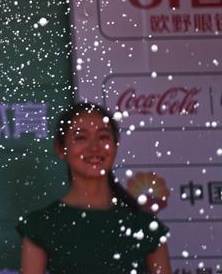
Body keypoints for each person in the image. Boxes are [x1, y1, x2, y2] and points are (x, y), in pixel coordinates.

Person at [17, 102, 171, 274]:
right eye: (81, 137)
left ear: (115, 146)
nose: (94, 147)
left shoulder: (145, 226)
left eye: (103, 137)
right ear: (60, 149)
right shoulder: (42, 225)